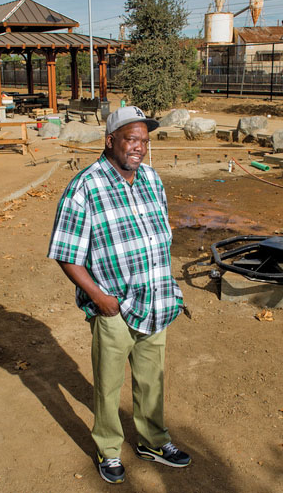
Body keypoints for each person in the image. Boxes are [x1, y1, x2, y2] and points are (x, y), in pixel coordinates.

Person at [48, 106, 191, 484]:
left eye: (144, 140)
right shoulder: (86, 186)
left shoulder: (151, 179)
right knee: (108, 386)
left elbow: (157, 238)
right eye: (131, 138)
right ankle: (108, 449)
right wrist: (99, 298)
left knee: (151, 380)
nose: (139, 147)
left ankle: (153, 441)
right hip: (113, 308)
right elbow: (66, 254)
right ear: (110, 140)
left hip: (156, 300)